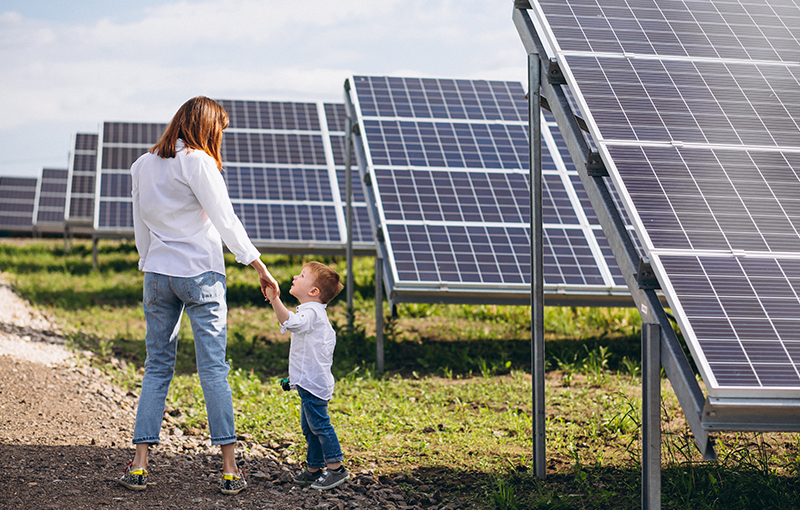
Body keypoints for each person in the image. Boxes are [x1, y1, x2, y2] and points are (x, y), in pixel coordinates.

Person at [119, 96, 279, 496]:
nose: (220, 136)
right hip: (201, 275)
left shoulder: (142, 164)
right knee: (212, 370)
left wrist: (146, 259)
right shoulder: (199, 161)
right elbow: (225, 217)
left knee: (156, 366)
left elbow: (139, 221)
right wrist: (258, 265)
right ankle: (229, 468)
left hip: (157, 274)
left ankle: (139, 464)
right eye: (219, 129)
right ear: (207, 127)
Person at [265, 261, 349, 490]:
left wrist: (274, 299)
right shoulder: (312, 313)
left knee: (320, 426)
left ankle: (336, 469)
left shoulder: (312, 313)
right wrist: (293, 380)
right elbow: (308, 354)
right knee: (310, 428)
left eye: (301, 276)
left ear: (313, 292)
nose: (295, 277)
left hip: (313, 386)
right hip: (308, 383)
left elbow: (290, 323)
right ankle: (314, 468)